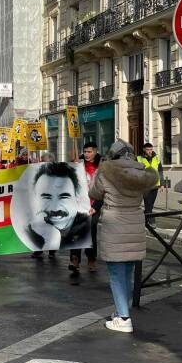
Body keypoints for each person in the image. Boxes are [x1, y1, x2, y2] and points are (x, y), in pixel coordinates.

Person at [89, 139, 158, 333]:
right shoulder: (140, 172)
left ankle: (124, 318)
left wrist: (99, 171)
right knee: (127, 272)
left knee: (116, 274)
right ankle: (121, 312)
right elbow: (147, 193)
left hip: (115, 224)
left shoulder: (106, 171)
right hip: (135, 222)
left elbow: (94, 192)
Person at [24, 162, 90, 252]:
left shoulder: (87, 229)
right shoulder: (27, 234)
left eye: (64, 197)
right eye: (46, 197)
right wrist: (51, 240)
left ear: (77, 197)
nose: (55, 208)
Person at [69, 142, 102, 274]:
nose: (87, 154)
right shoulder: (78, 163)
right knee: (76, 231)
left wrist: (96, 206)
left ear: (95, 151)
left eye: (89, 152)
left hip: (93, 204)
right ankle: (75, 259)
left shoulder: (102, 165)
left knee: (91, 231)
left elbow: (104, 188)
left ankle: (91, 259)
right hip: (79, 204)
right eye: (85, 152)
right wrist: (73, 167)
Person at [137, 143, 165, 227]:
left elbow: (160, 171)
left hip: (155, 185)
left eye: (151, 149)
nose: (150, 151)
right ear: (144, 150)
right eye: (148, 149)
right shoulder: (139, 158)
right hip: (145, 186)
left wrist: (162, 184)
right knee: (148, 204)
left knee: (150, 205)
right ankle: (152, 221)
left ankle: (144, 220)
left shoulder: (157, 158)